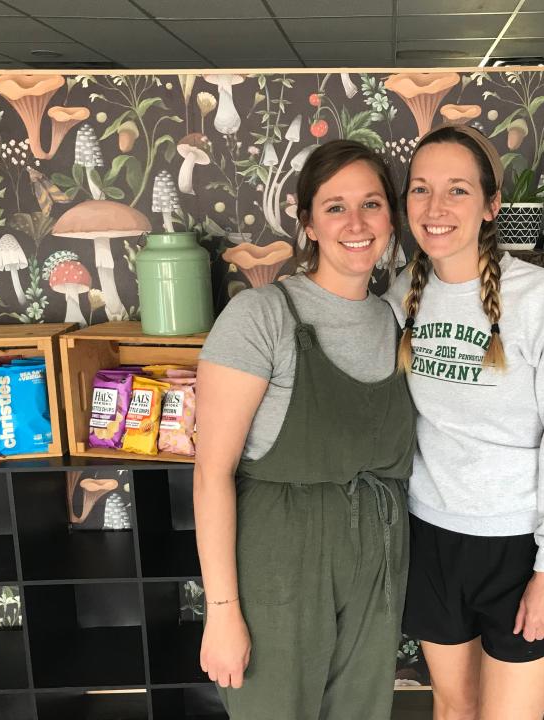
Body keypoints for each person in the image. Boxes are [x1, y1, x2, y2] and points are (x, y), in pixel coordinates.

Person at [385, 124, 544, 720]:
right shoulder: (404, 292)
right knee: (454, 710)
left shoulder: (541, 297)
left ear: (491, 205)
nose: (435, 208)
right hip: (431, 538)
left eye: (457, 190)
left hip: (521, 546)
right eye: (421, 190)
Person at [194, 139, 416, 720]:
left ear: (390, 217)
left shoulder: (398, 317)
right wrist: (222, 611)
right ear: (309, 223)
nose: (356, 222)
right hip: (281, 554)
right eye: (335, 206)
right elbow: (210, 474)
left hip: (379, 551)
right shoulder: (261, 316)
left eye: (371, 204)